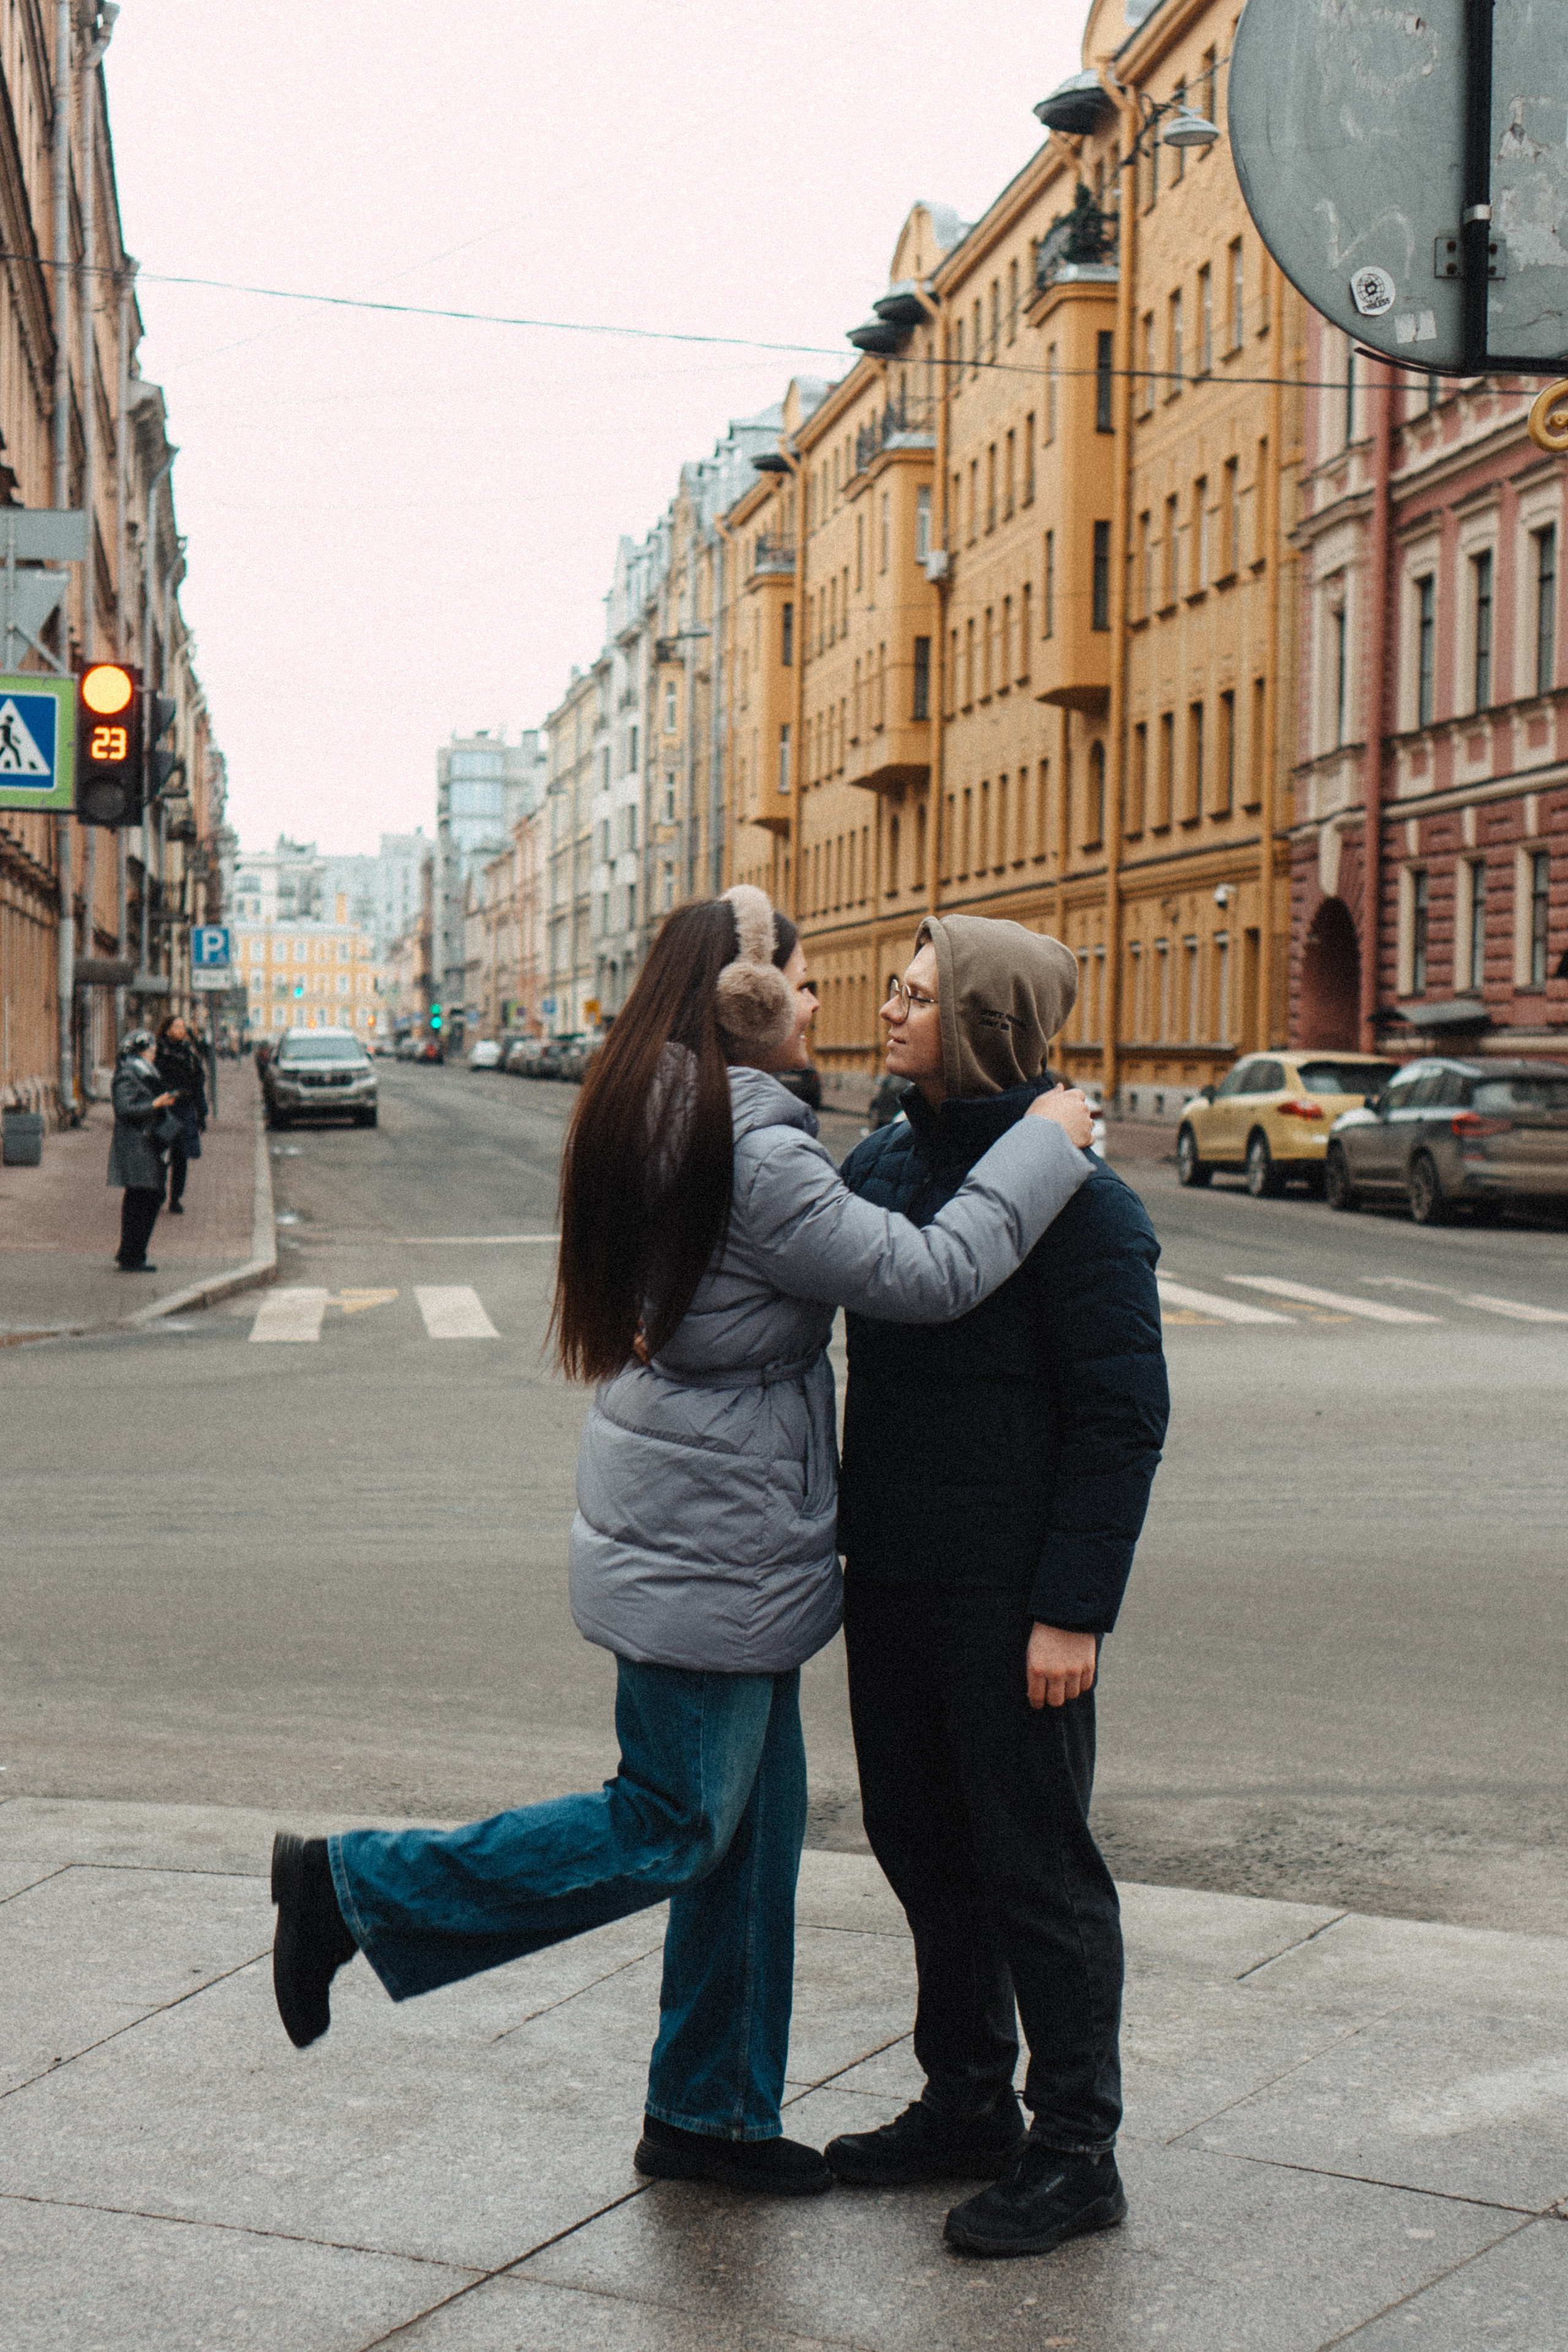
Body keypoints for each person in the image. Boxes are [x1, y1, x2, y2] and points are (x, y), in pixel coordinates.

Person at [270, 888, 1096, 2198]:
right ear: (746, 1002)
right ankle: (357, 1892)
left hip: (715, 1519)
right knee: (668, 1824)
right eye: (810, 984)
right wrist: (1048, 1141)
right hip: (713, 1529)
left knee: (748, 1839)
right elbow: (930, 1273)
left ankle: (707, 2112)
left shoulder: (667, 1106)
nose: (831, 1006)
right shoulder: (747, 1149)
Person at [824, 915, 1170, 2260]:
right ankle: (965, 2099)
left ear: (978, 1023)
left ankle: (1076, 2147)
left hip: (1013, 1598)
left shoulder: (1087, 1208)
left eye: (915, 997)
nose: (890, 1011)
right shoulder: (886, 1159)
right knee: (924, 1851)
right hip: (896, 1579)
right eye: (895, 991)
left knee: (1038, 1872)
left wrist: (1072, 1608)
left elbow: (1118, 1419)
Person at [108, 1028, 179, 1273]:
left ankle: (133, 1253)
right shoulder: (128, 1074)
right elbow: (124, 1108)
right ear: (140, 1051)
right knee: (142, 1199)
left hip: (149, 1143)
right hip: (136, 1145)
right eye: (151, 1051)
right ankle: (131, 1256)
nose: (153, 1055)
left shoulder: (146, 1072)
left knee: (148, 1198)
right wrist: (155, 1104)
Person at [155, 1014, 208, 1215]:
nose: (181, 1030)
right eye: (177, 1026)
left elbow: (197, 1085)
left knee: (181, 1155)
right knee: (160, 1152)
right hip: (165, 1107)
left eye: (183, 1027)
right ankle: (158, 1191)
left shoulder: (189, 1054)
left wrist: (202, 1113)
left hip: (184, 1109)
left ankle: (175, 1197)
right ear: (168, 1030)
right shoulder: (159, 1051)